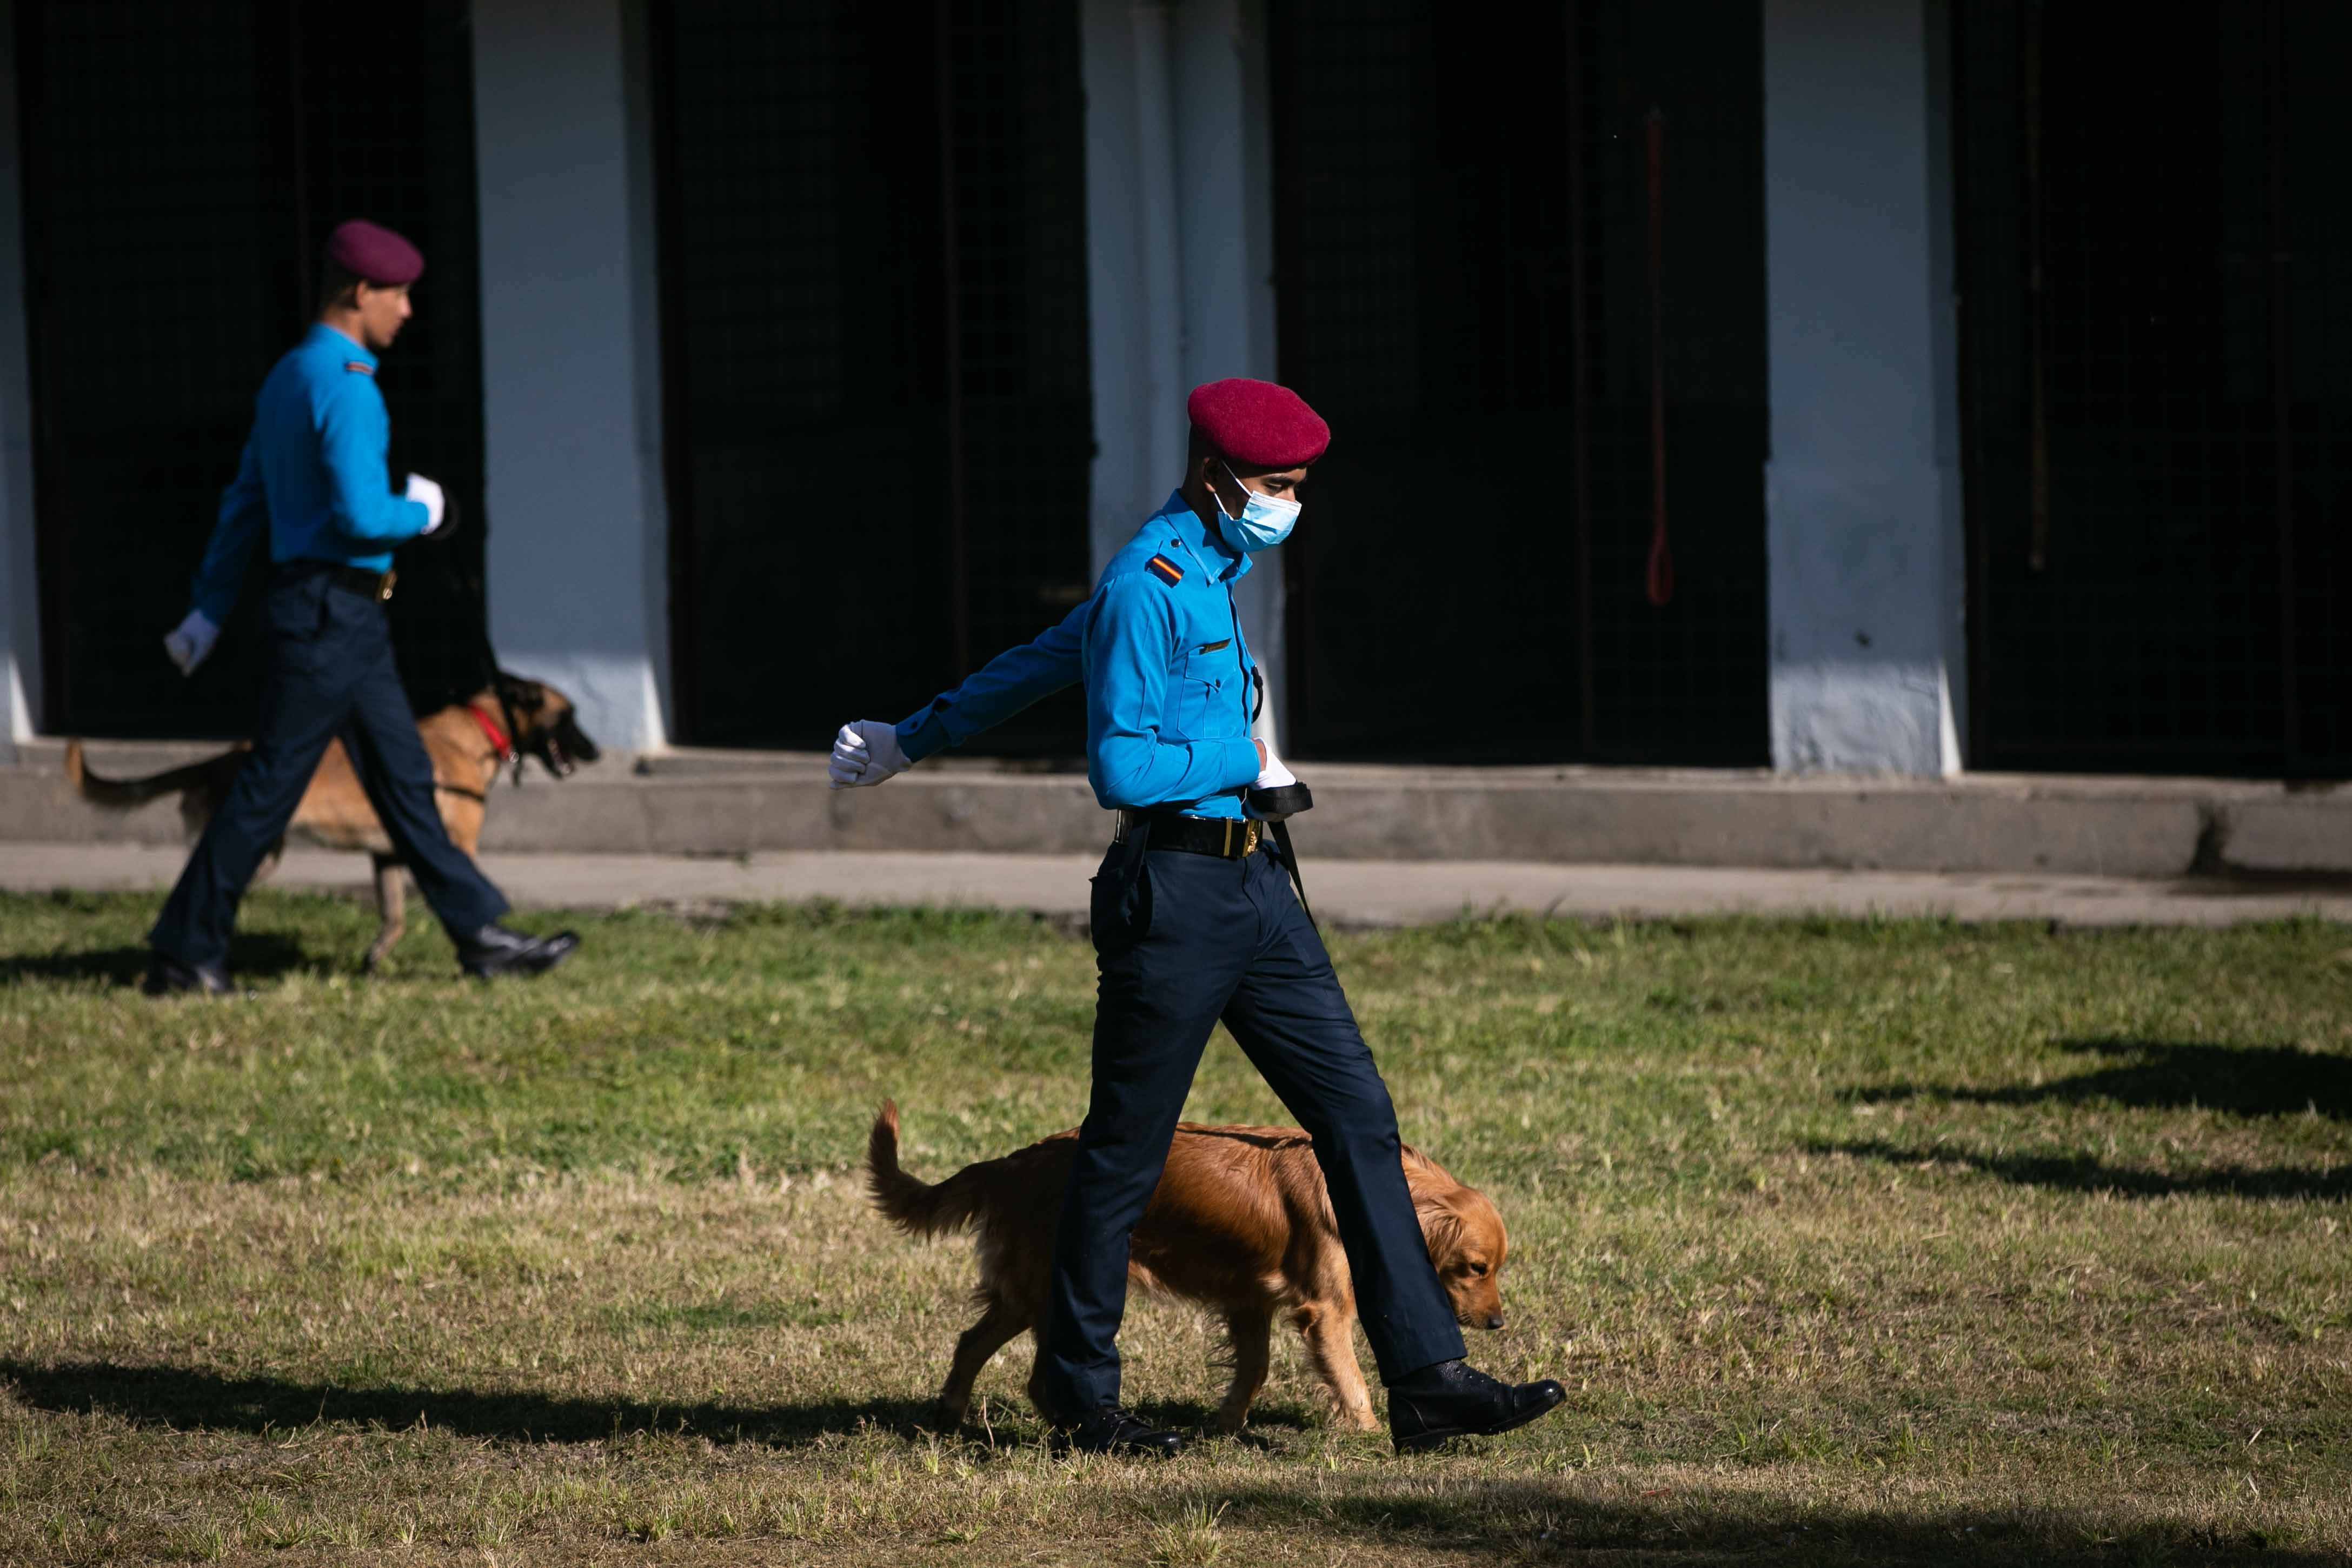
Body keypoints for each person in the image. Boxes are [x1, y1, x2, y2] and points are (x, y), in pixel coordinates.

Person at [830, 378, 1564, 1456]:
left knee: (1359, 1117)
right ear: (1215, 476)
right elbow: (1121, 765)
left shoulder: (1211, 569)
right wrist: (1245, 758)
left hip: (1255, 890)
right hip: (1173, 896)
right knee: (1123, 1154)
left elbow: (1039, 659)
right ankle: (1081, 1397)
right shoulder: (1150, 579)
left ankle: (1428, 1376)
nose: (1288, 505)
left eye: (1300, 487)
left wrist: (913, 732)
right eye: (1274, 485)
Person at [143, 220, 578, 994]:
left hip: (338, 616)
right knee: (271, 787)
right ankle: (185, 948)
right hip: (331, 615)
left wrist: (209, 607)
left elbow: (245, 501)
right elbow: (359, 516)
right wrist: (425, 510)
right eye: (399, 293)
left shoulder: (287, 375)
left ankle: (481, 934)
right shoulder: (349, 383)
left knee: (404, 776)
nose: (407, 310)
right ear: (359, 292)